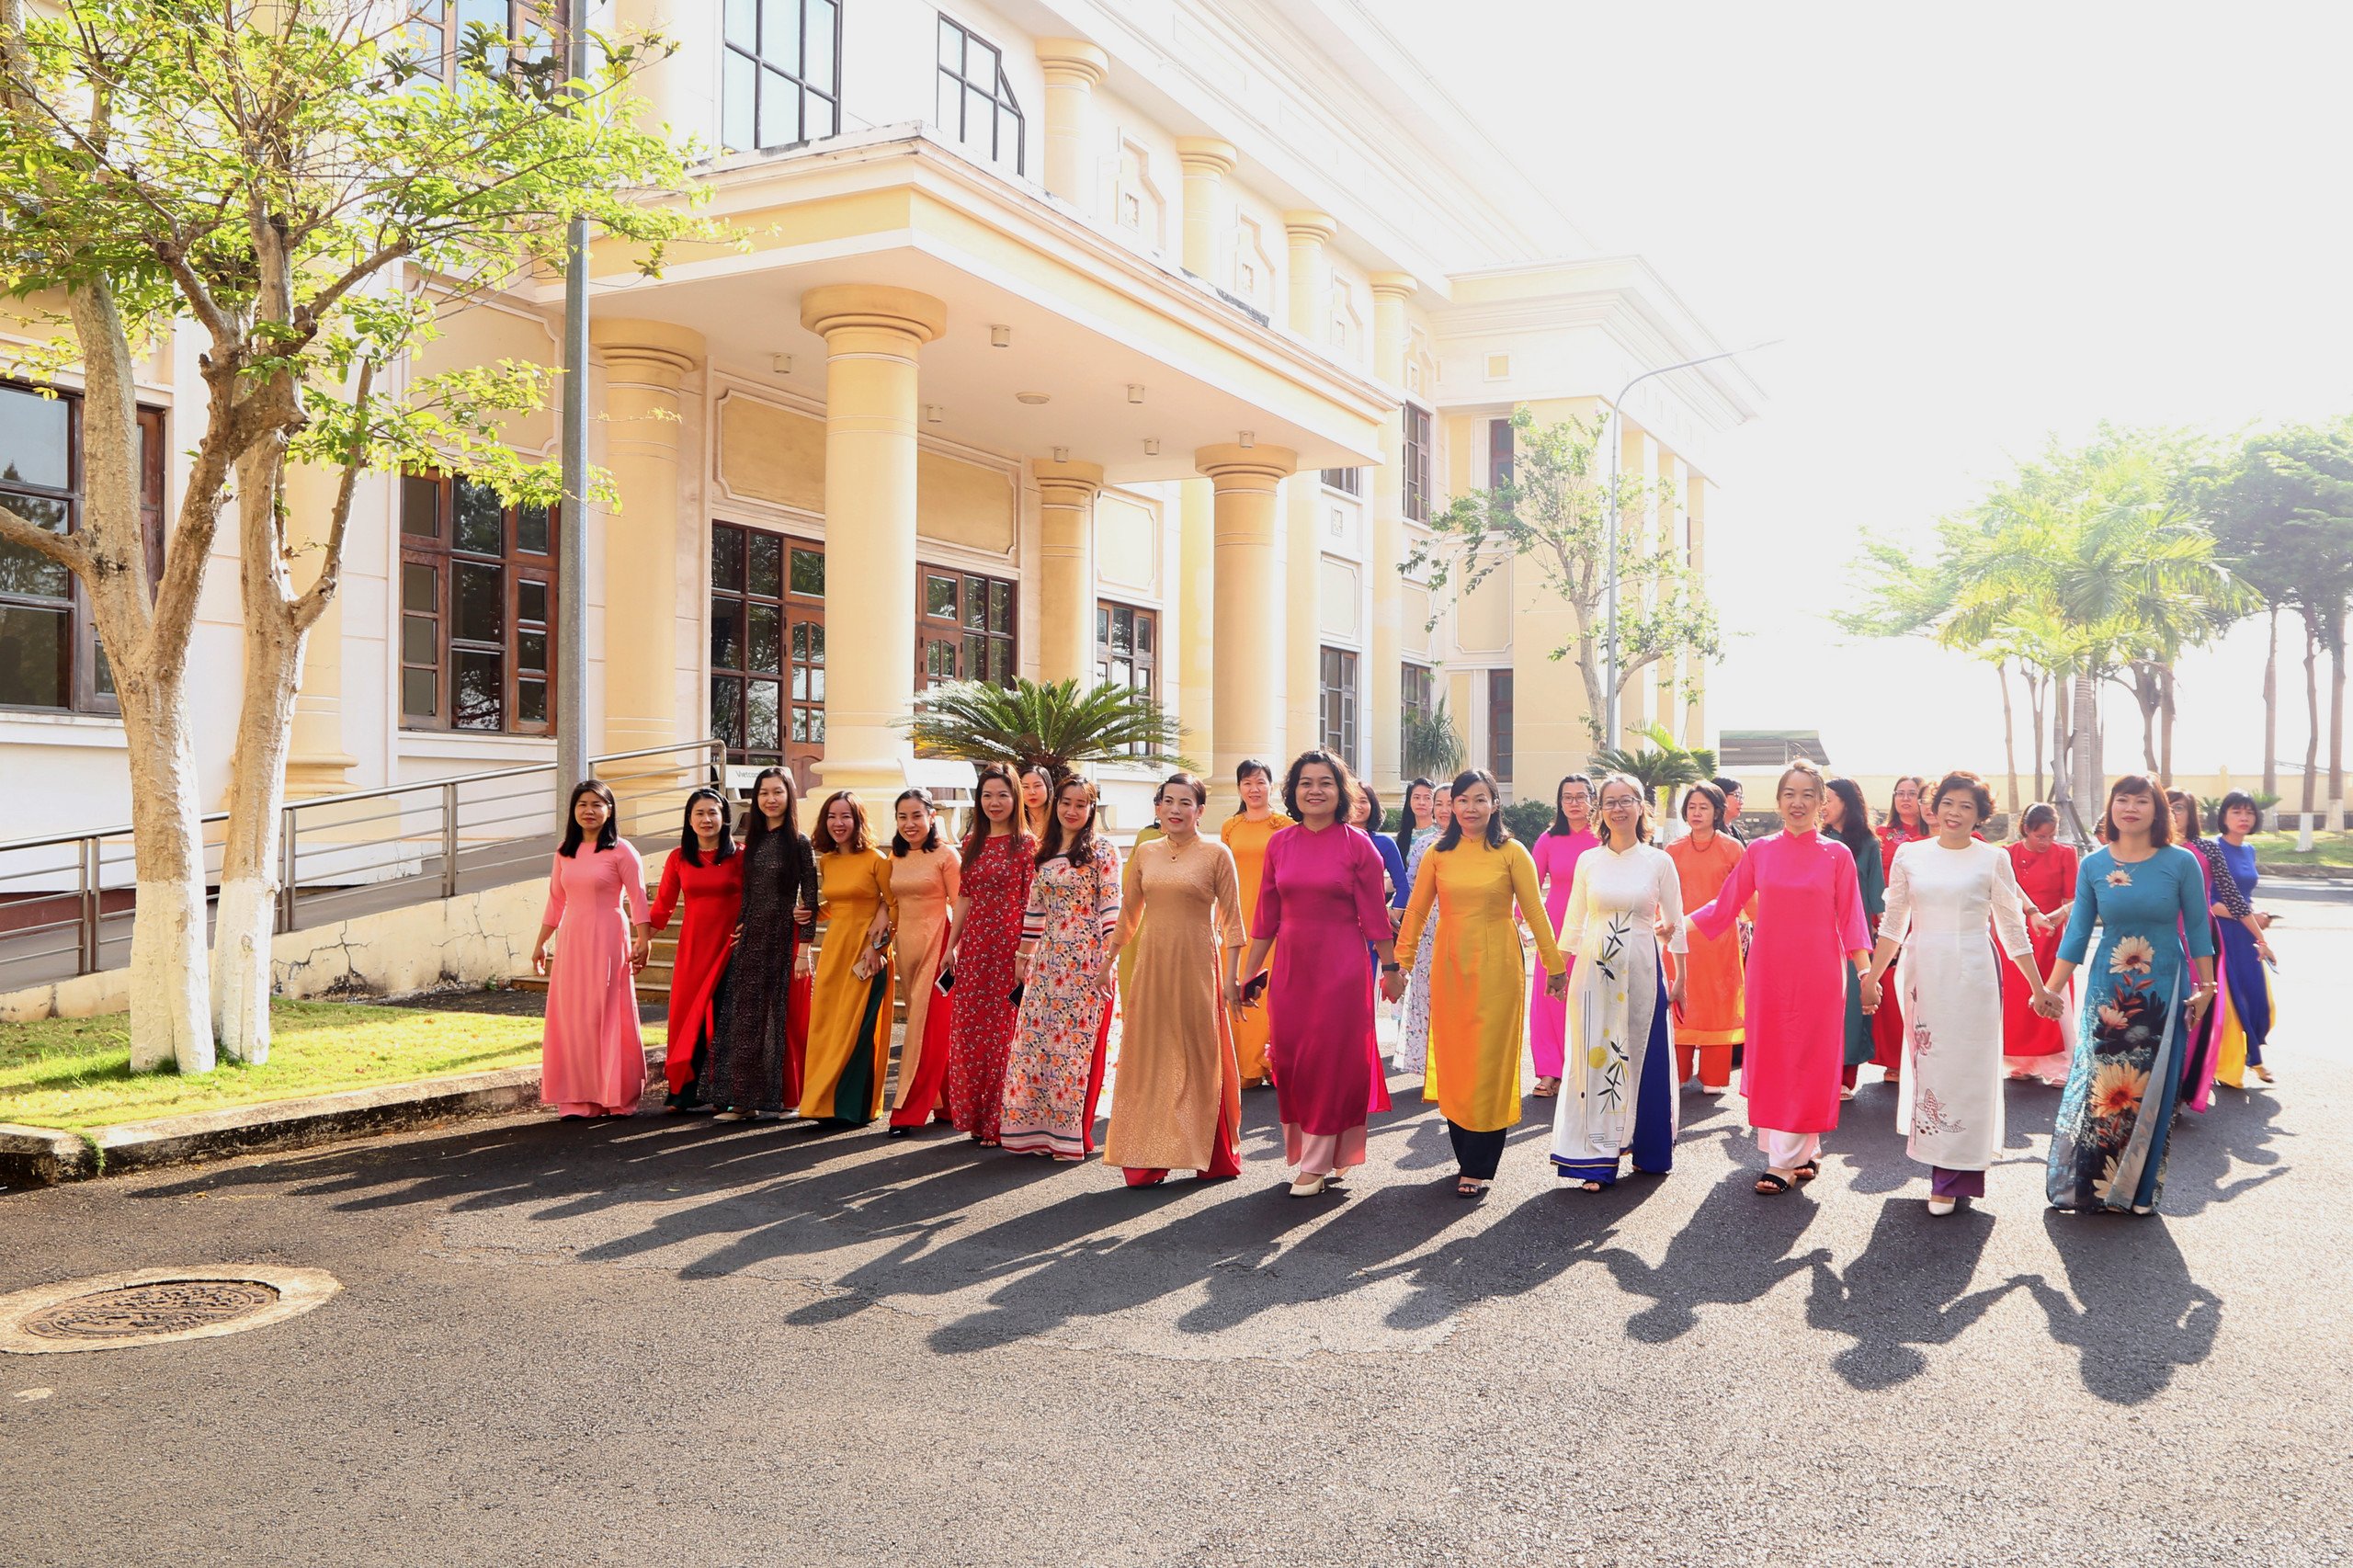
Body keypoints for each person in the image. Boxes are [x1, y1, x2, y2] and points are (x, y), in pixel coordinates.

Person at [1861, 772, 2048, 1214]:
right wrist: (1872, 977)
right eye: (1948, 803)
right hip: (1924, 971)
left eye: (1966, 806)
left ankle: (1953, 1177)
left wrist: (2039, 987)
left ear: (1980, 815)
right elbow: (1894, 923)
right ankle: (1940, 1168)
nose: (1955, 813)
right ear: (1934, 806)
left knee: (1970, 1070)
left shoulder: (1993, 859)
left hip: (1974, 972)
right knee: (1934, 1067)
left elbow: (2011, 927)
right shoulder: (1910, 854)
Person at [1688, 760, 1873, 1196]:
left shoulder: (1837, 855)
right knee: (1776, 1058)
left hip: (1820, 973)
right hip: (1769, 972)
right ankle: (1802, 1151)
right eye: (1790, 793)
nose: (1798, 802)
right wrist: (1676, 926)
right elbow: (1726, 903)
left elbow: (1852, 918)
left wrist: (1866, 972)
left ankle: (1783, 1162)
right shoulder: (1760, 851)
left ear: (1822, 802)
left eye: (1808, 794)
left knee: (1809, 1058)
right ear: (1778, 801)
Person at [2037, 775, 2218, 1215]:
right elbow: (2077, 932)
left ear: (2158, 810)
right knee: (2106, 1084)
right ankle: (2095, 1184)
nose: (2131, 808)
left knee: (2152, 1085)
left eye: (2142, 800)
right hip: (2109, 988)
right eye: (2123, 800)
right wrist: (2050, 988)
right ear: (2111, 807)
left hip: (2164, 986)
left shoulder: (2181, 862)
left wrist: (2207, 987)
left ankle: (2138, 1189)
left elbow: (2198, 928)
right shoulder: (2094, 865)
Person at [1387, 768, 1569, 1198]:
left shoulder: (1512, 852)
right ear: (1452, 806)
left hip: (1498, 968)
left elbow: (1535, 911)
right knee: (1456, 1058)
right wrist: (1400, 965)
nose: (1470, 808)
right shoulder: (1438, 853)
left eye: (1480, 799)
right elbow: (1416, 911)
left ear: (1494, 804)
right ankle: (1463, 1152)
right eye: (1463, 800)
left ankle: (1479, 1164)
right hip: (1449, 965)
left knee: (1489, 1060)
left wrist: (1554, 964)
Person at [1243, 750, 1401, 1197]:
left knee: (1331, 1059)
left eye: (1325, 783)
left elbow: (1375, 917)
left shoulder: (1358, 845)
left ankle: (1314, 1164)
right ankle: (1328, 1151)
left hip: (1341, 970)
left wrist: (1391, 969)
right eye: (1306, 783)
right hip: (1292, 969)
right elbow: (1265, 919)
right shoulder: (1280, 844)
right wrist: (1247, 975)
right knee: (1294, 1059)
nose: (1315, 791)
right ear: (1293, 792)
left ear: (1340, 791)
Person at [1098, 773, 1247, 1186]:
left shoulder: (1217, 853)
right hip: (1151, 964)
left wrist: (1232, 979)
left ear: (1200, 811)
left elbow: (1233, 923)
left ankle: (1210, 1153)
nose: (1176, 810)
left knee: (1200, 1054)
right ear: (1158, 808)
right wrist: (1108, 961)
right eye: (1168, 802)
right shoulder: (1146, 853)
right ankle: (1147, 1156)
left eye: (1186, 802)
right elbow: (1129, 914)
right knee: (1150, 1056)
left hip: (1199, 963)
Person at [1549, 774, 1686, 1190]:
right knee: (1596, 1060)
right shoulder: (1589, 861)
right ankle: (1596, 1159)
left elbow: (1676, 923)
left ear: (1642, 807)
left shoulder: (1658, 861)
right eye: (1610, 802)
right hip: (1594, 974)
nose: (1618, 808)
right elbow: (1574, 922)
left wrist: (1681, 978)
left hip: (1643, 969)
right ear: (1601, 811)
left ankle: (1647, 1149)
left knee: (1642, 1056)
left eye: (1627, 800)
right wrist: (1558, 968)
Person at [1002, 778, 1123, 1160]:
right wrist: (1023, 958)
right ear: (1056, 806)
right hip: (1048, 961)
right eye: (1066, 803)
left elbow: (1111, 908)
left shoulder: (1103, 851)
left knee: (1075, 1049)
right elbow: (1035, 910)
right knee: (1041, 1045)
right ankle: (1039, 1131)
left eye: (1081, 805)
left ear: (1092, 809)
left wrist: (1109, 961)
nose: (1072, 811)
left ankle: (1071, 1135)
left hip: (1087, 960)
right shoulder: (1046, 850)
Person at [530, 781, 652, 1119]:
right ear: (573, 810)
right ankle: (577, 1097)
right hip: (572, 939)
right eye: (582, 804)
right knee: (574, 1015)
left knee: (607, 1011)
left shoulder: (623, 851)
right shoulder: (563, 851)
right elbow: (556, 901)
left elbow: (639, 898)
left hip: (609, 937)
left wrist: (644, 939)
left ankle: (614, 1093)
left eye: (597, 804)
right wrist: (541, 942)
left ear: (609, 810)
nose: (589, 810)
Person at [702, 770, 819, 1119]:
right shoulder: (751, 841)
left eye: (777, 792)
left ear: (789, 795)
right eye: (764, 793)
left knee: (783, 1018)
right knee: (746, 1017)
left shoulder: (799, 842)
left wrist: (805, 947)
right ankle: (744, 1101)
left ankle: (789, 1098)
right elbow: (748, 893)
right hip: (753, 936)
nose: (770, 799)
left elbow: (810, 898)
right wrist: (740, 928)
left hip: (786, 936)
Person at [945, 764, 1035, 1145]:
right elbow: (964, 896)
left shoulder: (1026, 845)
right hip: (975, 949)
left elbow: (1033, 903)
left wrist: (1025, 954)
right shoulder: (972, 842)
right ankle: (977, 1116)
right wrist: (952, 945)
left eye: (1002, 795)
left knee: (1003, 1034)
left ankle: (1000, 1120)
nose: (994, 802)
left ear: (1016, 798)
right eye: (987, 795)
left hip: (1010, 948)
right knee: (971, 1032)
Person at [800, 791, 897, 1126]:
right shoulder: (827, 861)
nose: (838, 823)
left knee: (857, 1028)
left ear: (858, 821)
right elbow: (837, 906)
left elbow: (893, 904)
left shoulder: (876, 859)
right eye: (832, 816)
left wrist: (878, 948)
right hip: (834, 951)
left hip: (867, 953)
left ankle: (853, 1108)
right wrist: (810, 913)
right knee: (829, 1027)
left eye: (846, 816)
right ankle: (823, 1103)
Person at [647, 788, 745, 1112]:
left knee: (726, 1019)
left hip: (731, 947)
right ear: (689, 820)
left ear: (724, 817)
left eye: (712, 812)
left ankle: (723, 1092)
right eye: (699, 813)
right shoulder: (678, 858)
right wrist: (642, 938)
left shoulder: (741, 855)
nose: (706, 819)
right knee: (688, 1017)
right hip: (693, 948)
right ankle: (684, 1092)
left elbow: (757, 899)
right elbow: (662, 906)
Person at [884, 788, 961, 1135]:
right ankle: (950, 1106)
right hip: (906, 950)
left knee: (923, 1032)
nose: (909, 823)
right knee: (931, 1030)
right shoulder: (895, 857)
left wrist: (954, 948)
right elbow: (889, 901)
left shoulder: (946, 855)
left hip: (939, 948)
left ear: (932, 817)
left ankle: (906, 1111)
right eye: (902, 817)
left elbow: (961, 905)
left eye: (917, 816)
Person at [1665, 782, 1745, 1093]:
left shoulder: (1732, 848)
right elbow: (1662, 896)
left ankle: (1714, 1076)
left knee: (1717, 1004)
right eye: (1692, 807)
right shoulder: (1672, 850)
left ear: (1717, 812)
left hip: (1719, 942)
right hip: (1680, 941)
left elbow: (1745, 894)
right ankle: (1679, 1071)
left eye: (1704, 808)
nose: (1697, 813)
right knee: (1681, 1001)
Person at [1220, 757, 1294, 1087]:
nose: (1254, 789)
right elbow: (1222, 875)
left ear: (1271, 786)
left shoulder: (1286, 826)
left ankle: (1274, 1062)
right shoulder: (1230, 826)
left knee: (1274, 988)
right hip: (1237, 915)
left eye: (1260, 782)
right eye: (1247, 783)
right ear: (1239, 788)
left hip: (1276, 917)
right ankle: (1246, 1066)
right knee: (1239, 984)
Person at [1527, 774, 1599, 1098]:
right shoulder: (1548, 839)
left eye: (1581, 796)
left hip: (1595, 924)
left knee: (1589, 996)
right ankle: (1550, 1071)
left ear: (1592, 800)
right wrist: (1520, 922)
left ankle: (1585, 1069)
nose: (1574, 803)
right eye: (1567, 797)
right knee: (1550, 1000)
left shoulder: (1604, 839)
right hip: (1554, 928)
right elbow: (1529, 885)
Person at [2204, 790, 2279, 1091]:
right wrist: (2250, 916)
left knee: (2259, 1000)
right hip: (2222, 934)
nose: (2244, 817)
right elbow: (2209, 902)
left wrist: (2258, 915)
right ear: (2223, 816)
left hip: (2246, 934)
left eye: (2249, 812)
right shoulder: (2212, 849)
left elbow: (2244, 895)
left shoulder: (2249, 850)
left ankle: (2251, 1055)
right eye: (2236, 811)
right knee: (2232, 1003)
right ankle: (2230, 1066)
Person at [2000, 803, 2078, 1085]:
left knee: (2052, 990)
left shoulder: (2065, 853)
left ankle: (2059, 1063)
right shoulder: (2007, 854)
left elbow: (2075, 897)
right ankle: (2023, 1061)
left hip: (2051, 933)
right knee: (2018, 996)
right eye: (2040, 836)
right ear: (2026, 829)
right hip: (2016, 933)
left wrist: (2061, 915)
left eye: (2051, 836)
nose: (2046, 842)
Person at [1822, 776, 1888, 1100]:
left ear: (1847, 802)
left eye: (1828, 799)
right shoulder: (1816, 840)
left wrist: (1886, 937)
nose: (1822, 805)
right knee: (1820, 1007)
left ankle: (1845, 1078)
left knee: (1850, 1009)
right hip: (1818, 934)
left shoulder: (1869, 844)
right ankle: (1819, 1074)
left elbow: (1877, 898)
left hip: (1855, 938)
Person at [1870, 776, 1930, 1080]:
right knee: (1893, 992)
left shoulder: (1936, 835)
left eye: (1912, 793)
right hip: (1889, 921)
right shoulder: (1880, 835)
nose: (1905, 799)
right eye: (1900, 793)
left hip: (1925, 921)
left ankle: (1924, 1058)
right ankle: (1895, 1060)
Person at [1396, 781, 1452, 1080]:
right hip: (1428, 929)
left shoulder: (1476, 843)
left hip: (1459, 926)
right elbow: (1410, 886)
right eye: (1438, 804)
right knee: (1426, 995)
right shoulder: (1424, 845)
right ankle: (1430, 1063)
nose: (1444, 810)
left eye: (1449, 803)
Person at [1019, 766, 1055, 844]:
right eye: (1025, 787)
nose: (1032, 792)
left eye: (1037, 786)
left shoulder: (1058, 820)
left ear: (1048, 787)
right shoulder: (1016, 822)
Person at [1712, 776, 1747, 842]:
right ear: (1720, 796)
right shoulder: (1709, 832)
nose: (1741, 802)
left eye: (1741, 797)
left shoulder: (1736, 832)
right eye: (1737, 796)